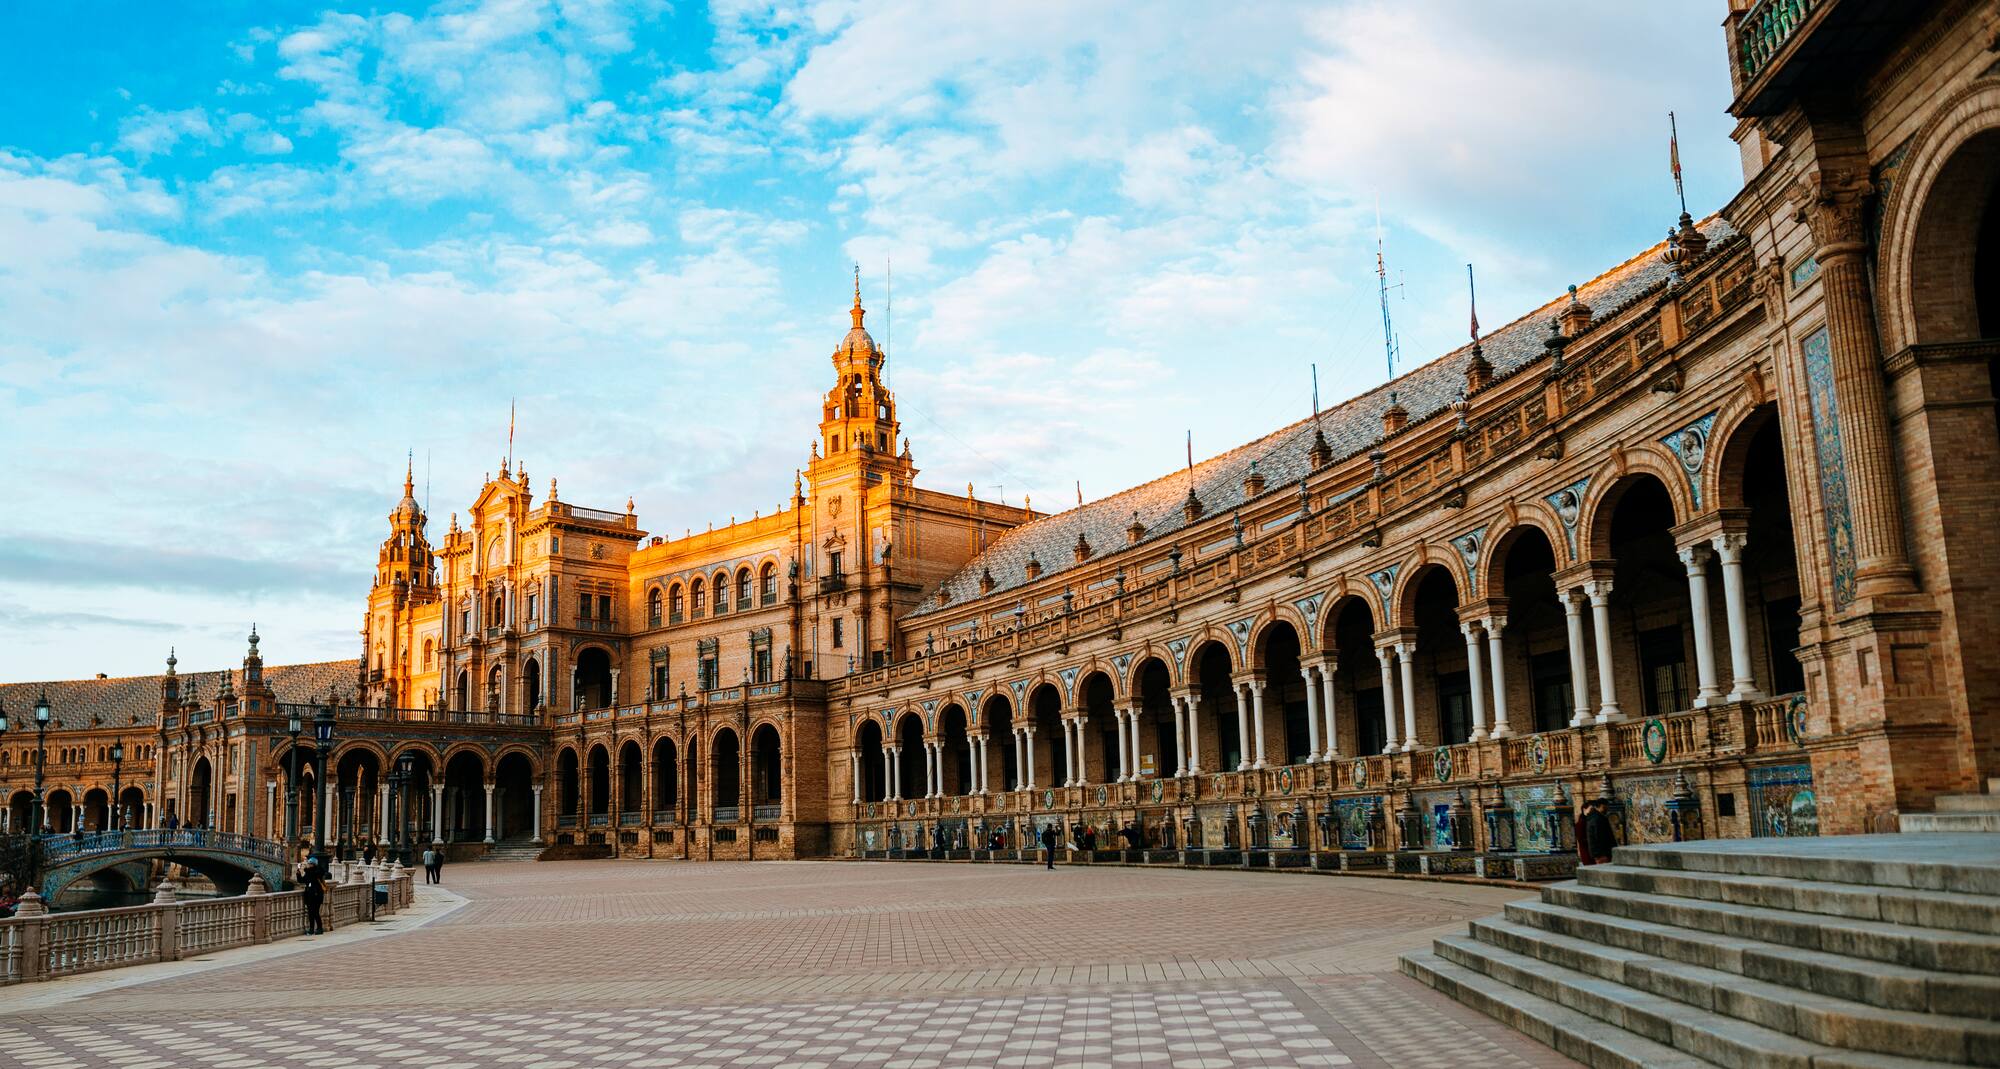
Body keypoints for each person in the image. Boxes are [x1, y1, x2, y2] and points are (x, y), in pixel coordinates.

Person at [297, 854, 327, 935]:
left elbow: (314, 876)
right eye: (308, 864)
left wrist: (306, 870)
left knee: (315, 912)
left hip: (317, 895)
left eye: (310, 864)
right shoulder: (309, 872)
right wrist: (299, 873)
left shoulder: (318, 871)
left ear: (313, 864)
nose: (308, 865)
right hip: (309, 895)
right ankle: (311, 929)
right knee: (310, 913)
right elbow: (302, 881)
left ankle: (319, 928)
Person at [1583, 800, 1618, 865]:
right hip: (1602, 852)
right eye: (1604, 807)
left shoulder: (1594, 817)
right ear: (1598, 807)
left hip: (1599, 852)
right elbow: (1600, 836)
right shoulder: (1597, 819)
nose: (1606, 809)